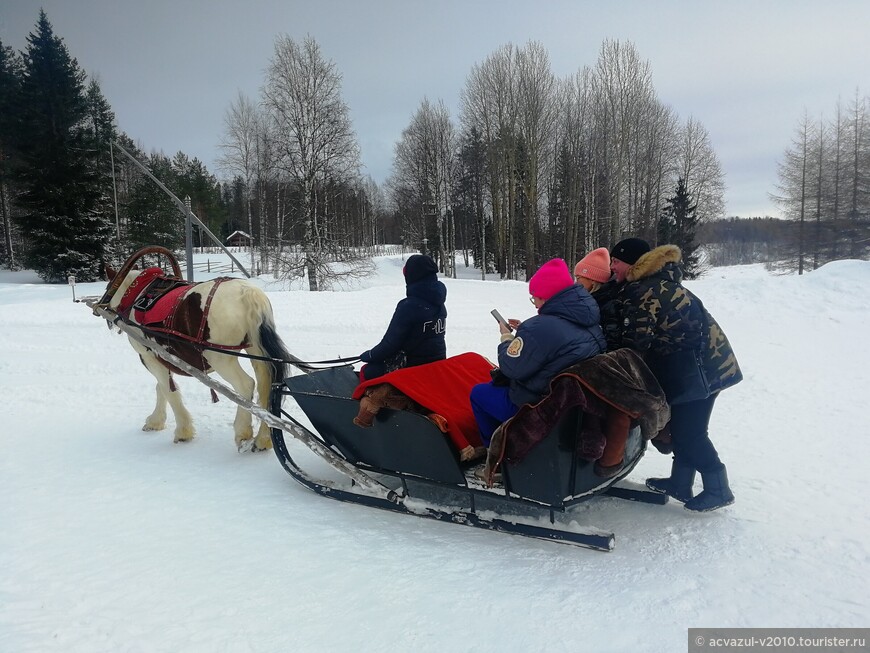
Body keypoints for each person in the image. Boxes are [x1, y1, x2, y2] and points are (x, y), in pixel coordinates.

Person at [605, 238, 743, 511]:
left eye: (616, 262)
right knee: (683, 427)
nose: (611, 268)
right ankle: (680, 482)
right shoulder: (657, 283)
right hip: (701, 365)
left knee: (689, 432)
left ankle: (719, 488)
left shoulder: (643, 292)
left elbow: (634, 345)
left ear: (633, 264)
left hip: (699, 370)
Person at [470, 258, 605, 447]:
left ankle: (497, 454)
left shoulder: (539, 327)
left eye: (535, 297)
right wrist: (526, 332)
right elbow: (557, 341)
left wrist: (507, 337)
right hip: (570, 405)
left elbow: (511, 367)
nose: (534, 303)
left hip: (538, 406)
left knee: (479, 393)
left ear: (547, 295)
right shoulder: (588, 316)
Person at [359, 254, 447, 381]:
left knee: (366, 371)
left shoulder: (408, 306)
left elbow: (389, 345)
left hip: (413, 368)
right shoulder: (439, 304)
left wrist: (369, 355)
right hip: (437, 365)